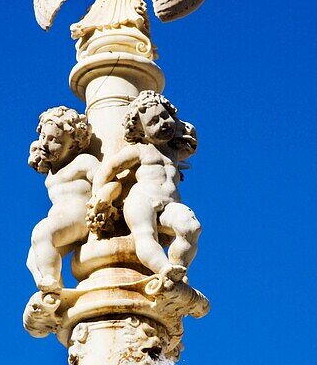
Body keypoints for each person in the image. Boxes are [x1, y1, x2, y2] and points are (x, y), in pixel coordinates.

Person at [86, 92, 200, 284]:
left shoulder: (173, 151)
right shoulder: (140, 149)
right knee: (145, 236)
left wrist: (183, 127)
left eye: (165, 116)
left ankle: (177, 271)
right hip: (142, 199)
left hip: (169, 202)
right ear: (141, 131)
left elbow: (191, 144)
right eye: (153, 122)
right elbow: (110, 168)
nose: (162, 123)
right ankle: (163, 268)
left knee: (191, 227)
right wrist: (98, 195)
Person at [27, 107, 99, 293]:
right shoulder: (52, 171)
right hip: (61, 221)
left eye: (55, 141)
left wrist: (101, 201)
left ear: (73, 145)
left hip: (79, 218)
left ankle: (50, 278)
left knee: (42, 233)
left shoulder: (83, 161)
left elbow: (104, 179)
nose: (45, 144)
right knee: (32, 258)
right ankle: (54, 290)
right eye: (43, 137)